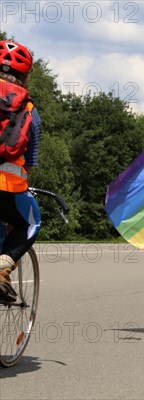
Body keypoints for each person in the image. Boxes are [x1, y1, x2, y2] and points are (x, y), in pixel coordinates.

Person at [0, 40, 42, 303]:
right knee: (31, 220)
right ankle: (3, 266)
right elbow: (29, 161)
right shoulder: (26, 108)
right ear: (24, 77)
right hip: (6, 185)